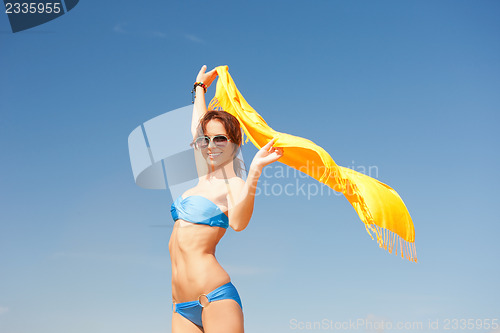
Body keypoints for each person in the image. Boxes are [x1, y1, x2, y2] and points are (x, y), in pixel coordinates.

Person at [169, 65, 284, 333]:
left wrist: (255, 171)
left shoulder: (233, 182)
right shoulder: (203, 175)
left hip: (213, 297)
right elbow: (198, 126)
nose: (210, 145)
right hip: (180, 304)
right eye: (206, 140)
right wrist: (199, 88)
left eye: (219, 139)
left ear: (233, 142)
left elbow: (239, 223)